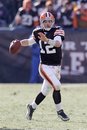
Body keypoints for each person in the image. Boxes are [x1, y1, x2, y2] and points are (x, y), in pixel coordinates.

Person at [11, 11, 70, 121]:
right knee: (57, 85)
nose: (48, 24)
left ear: (53, 21)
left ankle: (31, 107)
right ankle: (60, 112)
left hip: (56, 66)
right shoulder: (37, 31)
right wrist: (19, 42)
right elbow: (29, 42)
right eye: (45, 21)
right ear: (41, 22)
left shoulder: (58, 30)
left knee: (45, 91)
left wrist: (47, 40)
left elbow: (58, 44)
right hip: (44, 66)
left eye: (50, 21)